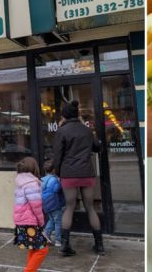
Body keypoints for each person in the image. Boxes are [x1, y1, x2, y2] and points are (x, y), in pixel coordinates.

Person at [52, 100, 105, 256]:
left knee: (69, 207)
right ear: (77, 115)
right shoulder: (86, 130)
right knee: (90, 207)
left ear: (64, 116)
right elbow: (97, 147)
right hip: (86, 172)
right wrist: (86, 127)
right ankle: (99, 245)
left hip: (69, 173)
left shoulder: (61, 131)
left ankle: (65, 245)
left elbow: (58, 155)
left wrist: (58, 172)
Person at [13, 157, 48, 272]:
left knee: (34, 248)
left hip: (22, 221)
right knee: (42, 250)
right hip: (29, 221)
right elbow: (36, 206)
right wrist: (41, 222)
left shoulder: (20, 181)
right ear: (34, 168)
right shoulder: (31, 184)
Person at [41, 160, 64, 246]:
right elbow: (56, 189)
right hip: (54, 204)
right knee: (58, 221)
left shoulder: (41, 180)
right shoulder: (54, 180)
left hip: (45, 204)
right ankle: (58, 240)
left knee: (51, 219)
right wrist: (59, 182)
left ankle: (46, 235)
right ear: (54, 170)